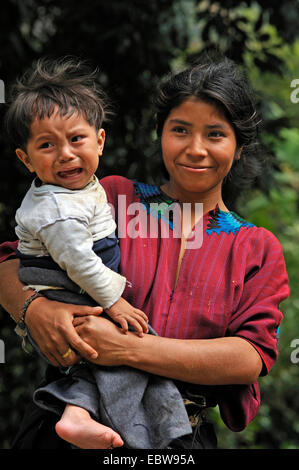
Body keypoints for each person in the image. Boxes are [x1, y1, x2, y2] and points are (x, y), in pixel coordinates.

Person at [0, 51, 289, 449]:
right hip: (66, 423)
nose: (196, 149)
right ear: (161, 132)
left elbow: (249, 356)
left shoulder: (256, 247)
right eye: (181, 130)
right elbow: (12, 259)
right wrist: (34, 310)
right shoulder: (111, 197)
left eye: (216, 134)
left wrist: (130, 348)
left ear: (239, 147)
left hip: (176, 437)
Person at [1, 57, 193, 449]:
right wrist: (114, 301)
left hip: (78, 285)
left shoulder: (84, 189)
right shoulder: (57, 208)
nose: (66, 154)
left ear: (100, 141)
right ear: (26, 159)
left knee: (102, 356)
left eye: (76, 140)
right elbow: (77, 261)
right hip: (68, 288)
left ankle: (78, 415)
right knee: (116, 348)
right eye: (47, 145)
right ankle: (153, 432)